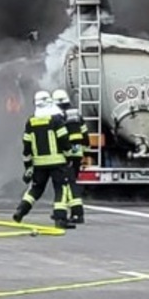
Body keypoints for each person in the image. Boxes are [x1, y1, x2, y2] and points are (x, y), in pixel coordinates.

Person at [12, 90, 76, 229]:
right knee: (61, 189)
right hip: (58, 162)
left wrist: (28, 166)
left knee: (35, 189)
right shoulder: (56, 120)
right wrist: (69, 156)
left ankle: (20, 211)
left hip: (39, 164)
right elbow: (64, 140)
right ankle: (60, 220)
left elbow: (26, 146)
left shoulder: (31, 122)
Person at [52, 88, 89, 224]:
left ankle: (77, 214)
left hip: (67, 153)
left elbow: (61, 137)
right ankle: (73, 213)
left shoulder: (59, 115)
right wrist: (83, 150)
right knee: (72, 181)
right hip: (77, 152)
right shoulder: (76, 113)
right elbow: (85, 134)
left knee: (68, 183)